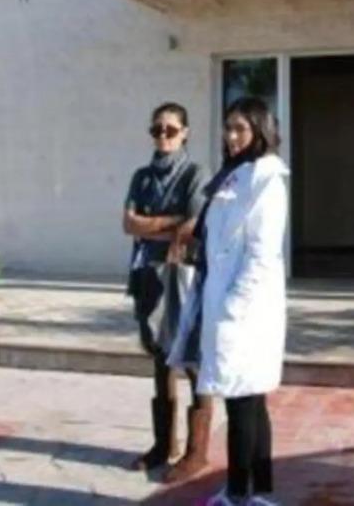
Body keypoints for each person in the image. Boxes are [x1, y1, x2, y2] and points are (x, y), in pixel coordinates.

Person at [169, 96, 289, 506]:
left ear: (260, 130)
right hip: (223, 299)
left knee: (242, 402)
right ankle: (258, 493)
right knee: (249, 399)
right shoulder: (234, 175)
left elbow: (262, 253)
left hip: (244, 310)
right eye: (228, 128)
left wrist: (234, 307)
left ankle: (239, 494)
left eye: (240, 128)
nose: (232, 136)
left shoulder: (266, 181)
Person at [123, 102, 213, 482]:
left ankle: (197, 451)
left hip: (184, 275)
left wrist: (152, 225)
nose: (163, 136)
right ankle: (164, 445)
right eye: (157, 129)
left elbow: (193, 225)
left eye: (171, 130)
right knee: (160, 358)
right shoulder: (141, 177)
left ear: (185, 133)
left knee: (191, 359)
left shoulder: (196, 174)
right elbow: (128, 224)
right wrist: (168, 225)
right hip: (148, 274)